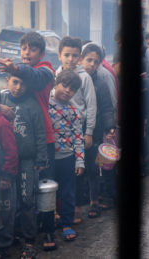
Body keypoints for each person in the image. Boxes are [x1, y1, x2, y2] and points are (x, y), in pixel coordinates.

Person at [0, 31, 57, 251]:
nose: (27, 53)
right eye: (24, 48)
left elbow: (34, 78)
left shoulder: (46, 70)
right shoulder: (15, 82)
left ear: (41, 53)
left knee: (43, 191)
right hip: (15, 148)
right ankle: (16, 234)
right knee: (17, 196)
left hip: (42, 141)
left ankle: (47, 231)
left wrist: (15, 69)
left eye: (32, 49)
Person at [0, 73, 47, 259]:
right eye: (15, 82)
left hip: (27, 161)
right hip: (5, 162)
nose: (18, 87)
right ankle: (4, 241)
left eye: (23, 84)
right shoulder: (0, 99)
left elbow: (40, 133)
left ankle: (29, 241)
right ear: (7, 81)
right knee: (6, 203)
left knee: (27, 199)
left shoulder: (32, 105)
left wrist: (41, 159)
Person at [55, 36, 97, 224]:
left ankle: (77, 208)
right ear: (59, 56)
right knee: (60, 172)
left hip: (78, 132)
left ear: (79, 57)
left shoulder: (85, 77)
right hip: (59, 134)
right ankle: (59, 208)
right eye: (67, 55)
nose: (70, 59)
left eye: (74, 55)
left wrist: (89, 132)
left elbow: (91, 106)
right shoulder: (56, 73)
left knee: (78, 171)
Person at [79, 43, 115, 218]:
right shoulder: (72, 78)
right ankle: (76, 204)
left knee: (94, 167)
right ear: (81, 59)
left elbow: (108, 107)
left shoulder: (100, 82)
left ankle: (94, 201)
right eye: (89, 60)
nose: (92, 64)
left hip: (95, 130)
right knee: (77, 168)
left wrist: (109, 128)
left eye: (96, 61)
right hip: (75, 131)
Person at [49, 70, 84, 241]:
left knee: (68, 192)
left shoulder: (73, 111)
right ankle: (47, 224)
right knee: (47, 193)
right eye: (64, 85)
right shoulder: (44, 103)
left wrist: (79, 161)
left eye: (72, 89)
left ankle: (67, 224)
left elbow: (78, 137)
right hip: (47, 158)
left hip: (67, 157)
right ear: (55, 83)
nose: (67, 90)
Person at [0, 84, 18, 258]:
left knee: (4, 211)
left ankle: (4, 245)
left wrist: (7, 175)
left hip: (2, 177)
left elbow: (11, 152)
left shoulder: (1, 123)